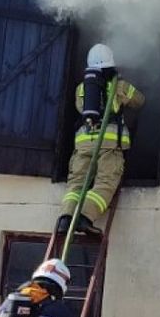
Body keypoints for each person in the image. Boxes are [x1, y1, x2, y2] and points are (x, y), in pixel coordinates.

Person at [60, 43, 145, 236]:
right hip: (108, 144)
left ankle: (65, 219)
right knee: (105, 182)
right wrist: (122, 84)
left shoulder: (81, 89)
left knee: (76, 183)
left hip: (83, 143)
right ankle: (85, 218)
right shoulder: (119, 87)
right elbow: (140, 100)